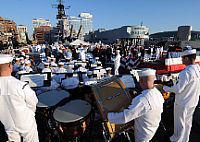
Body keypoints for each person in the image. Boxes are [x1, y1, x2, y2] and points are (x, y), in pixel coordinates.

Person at [106, 68, 164, 142]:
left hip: (144, 134)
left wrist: (108, 116)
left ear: (141, 81)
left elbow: (125, 117)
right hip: (153, 127)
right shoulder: (157, 93)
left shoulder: (143, 99)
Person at [163, 46, 200, 142]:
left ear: (186, 58)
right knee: (187, 123)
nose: (181, 60)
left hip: (183, 103)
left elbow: (178, 89)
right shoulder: (198, 69)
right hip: (193, 102)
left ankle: (177, 140)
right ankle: (185, 139)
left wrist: (165, 88)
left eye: (182, 58)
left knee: (180, 124)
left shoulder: (186, 72)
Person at [0, 54, 39, 142]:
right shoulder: (21, 85)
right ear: (10, 66)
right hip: (26, 122)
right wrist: (29, 114)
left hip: (7, 124)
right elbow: (33, 103)